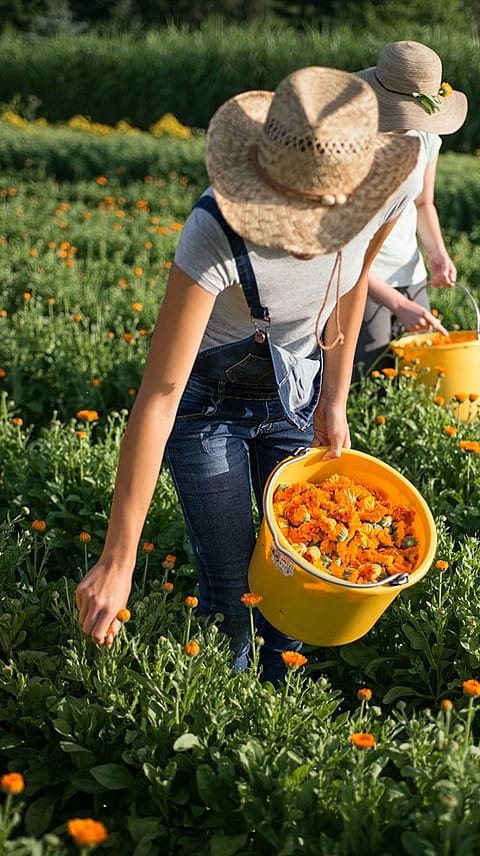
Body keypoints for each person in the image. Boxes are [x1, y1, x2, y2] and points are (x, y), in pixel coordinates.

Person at [75, 65, 422, 685]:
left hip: (296, 393)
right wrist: (117, 561)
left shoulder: (385, 193)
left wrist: (335, 400)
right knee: (235, 589)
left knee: (294, 583)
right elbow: (159, 395)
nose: (304, 238)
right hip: (207, 407)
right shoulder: (215, 228)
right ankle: (228, 717)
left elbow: (347, 296)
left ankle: (276, 712)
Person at [353, 40, 468, 375]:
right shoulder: (354, 144)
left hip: (411, 274)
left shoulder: (427, 136)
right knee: (367, 380)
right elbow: (342, 250)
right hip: (361, 279)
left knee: (421, 378)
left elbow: (423, 202)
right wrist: (396, 303)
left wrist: (437, 253)